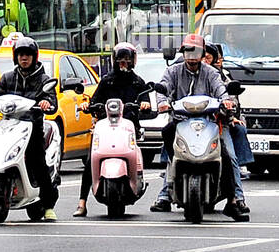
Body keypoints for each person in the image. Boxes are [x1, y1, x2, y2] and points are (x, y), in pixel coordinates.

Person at [150, 33, 249, 221]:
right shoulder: (173, 71)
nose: (192, 57)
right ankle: (167, 189)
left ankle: (233, 200)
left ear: (203, 54)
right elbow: (163, 88)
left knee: (226, 155)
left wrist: (227, 102)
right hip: (181, 122)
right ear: (183, 52)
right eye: (188, 51)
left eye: (196, 52)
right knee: (168, 135)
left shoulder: (211, 73)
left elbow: (221, 90)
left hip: (209, 122)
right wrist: (162, 102)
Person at [0, 36, 59, 221]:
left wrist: (46, 102)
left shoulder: (43, 79)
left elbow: (52, 100)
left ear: (34, 57)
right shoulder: (8, 78)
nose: (24, 58)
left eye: (28, 55)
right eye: (20, 55)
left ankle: (47, 205)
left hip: (32, 127)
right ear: (15, 57)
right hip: (8, 126)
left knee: (38, 161)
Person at [74, 42, 152, 217]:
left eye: (126, 60)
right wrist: (89, 105)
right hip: (106, 128)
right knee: (90, 160)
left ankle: (135, 180)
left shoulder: (138, 82)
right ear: (114, 61)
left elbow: (147, 101)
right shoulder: (107, 81)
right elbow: (94, 101)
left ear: (133, 61)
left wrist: (145, 104)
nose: (123, 63)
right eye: (120, 60)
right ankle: (82, 202)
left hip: (128, 128)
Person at [205, 41, 254, 172]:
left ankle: (237, 190)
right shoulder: (181, 72)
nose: (205, 61)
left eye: (209, 58)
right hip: (192, 122)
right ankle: (168, 184)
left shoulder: (220, 77)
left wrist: (229, 111)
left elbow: (229, 98)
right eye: (202, 57)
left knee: (231, 157)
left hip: (219, 121)